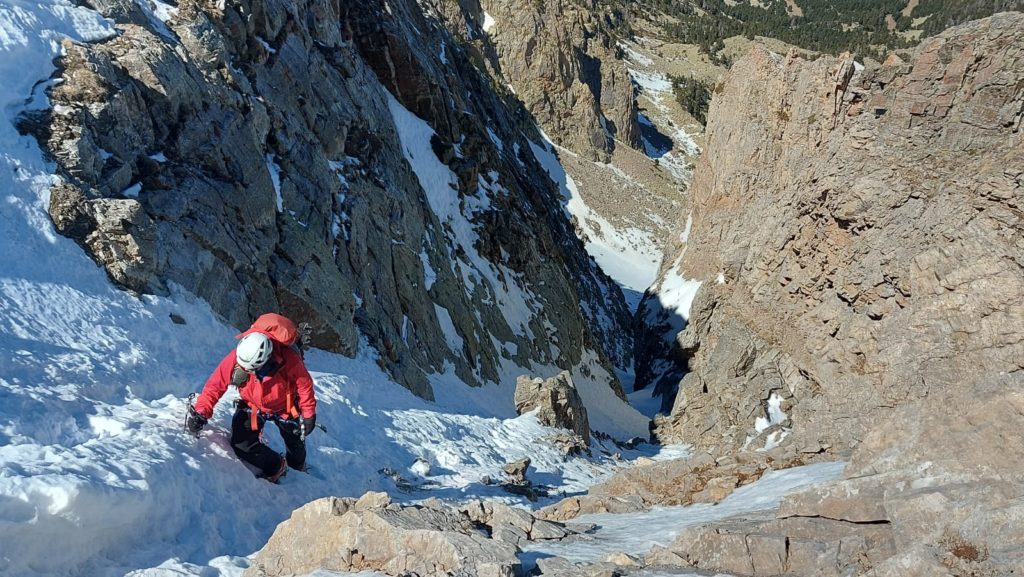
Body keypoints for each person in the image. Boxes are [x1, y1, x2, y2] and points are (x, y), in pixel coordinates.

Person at [185, 313, 317, 483]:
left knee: (295, 445)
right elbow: (215, 384)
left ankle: (298, 467)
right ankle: (276, 466)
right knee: (242, 444)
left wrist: (308, 414)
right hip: (253, 405)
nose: (249, 372)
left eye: (254, 369)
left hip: (287, 407)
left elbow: (304, 385)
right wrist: (202, 411)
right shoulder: (239, 355)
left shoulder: (288, 359)